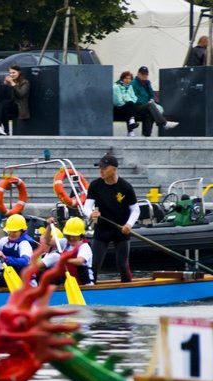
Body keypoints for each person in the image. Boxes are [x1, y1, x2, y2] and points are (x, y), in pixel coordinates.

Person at [82, 154, 139, 283]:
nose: (100, 170)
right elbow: (86, 207)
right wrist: (91, 214)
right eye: (100, 167)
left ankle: (127, 289)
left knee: (122, 265)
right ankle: (91, 289)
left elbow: (136, 210)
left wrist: (129, 225)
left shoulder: (125, 187)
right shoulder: (95, 185)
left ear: (114, 169)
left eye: (104, 168)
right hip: (102, 230)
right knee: (95, 265)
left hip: (121, 230)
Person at [0, 213, 34, 284]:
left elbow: (24, 261)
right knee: (0, 279)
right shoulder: (4, 241)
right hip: (11, 278)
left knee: (1, 279)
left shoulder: (24, 244)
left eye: (14, 232)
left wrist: (6, 258)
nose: (11, 234)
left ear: (22, 232)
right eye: (9, 231)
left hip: (26, 282)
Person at [41, 218, 94, 286]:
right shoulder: (65, 242)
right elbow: (48, 241)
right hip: (69, 283)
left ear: (80, 235)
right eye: (69, 235)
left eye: (74, 236)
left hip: (85, 284)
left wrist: (63, 259)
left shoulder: (84, 247)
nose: (71, 238)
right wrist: (49, 227)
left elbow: (80, 261)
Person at [131, 66, 179, 137]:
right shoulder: (133, 84)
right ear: (138, 74)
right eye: (143, 74)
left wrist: (151, 99)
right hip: (136, 107)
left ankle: (146, 135)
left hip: (146, 107)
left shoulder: (147, 83)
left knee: (150, 113)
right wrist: (148, 102)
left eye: (146, 74)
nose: (145, 75)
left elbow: (151, 94)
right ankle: (164, 123)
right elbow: (135, 99)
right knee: (150, 106)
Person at [0, 64, 29, 135]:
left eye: (14, 73)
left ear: (19, 73)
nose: (11, 75)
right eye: (10, 73)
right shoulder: (9, 82)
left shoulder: (25, 82)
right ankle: (4, 131)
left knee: (2, 105)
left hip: (19, 106)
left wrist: (13, 83)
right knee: (1, 106)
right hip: (8, 105)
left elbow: (21, 94)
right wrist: (4, 84)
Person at [112, 71, 140, 137]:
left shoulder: (130, 87)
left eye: (129, 79)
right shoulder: (116, 87)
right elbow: (117, 102)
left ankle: (131, 128)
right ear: (122, 79)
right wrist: (127, 100)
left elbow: (135, 99)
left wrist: (126, 98)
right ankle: (131, 130)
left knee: (130, 106)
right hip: (117, 109)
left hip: (127, 109)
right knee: (129, 105)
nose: (128, 80)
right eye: (126, 78)